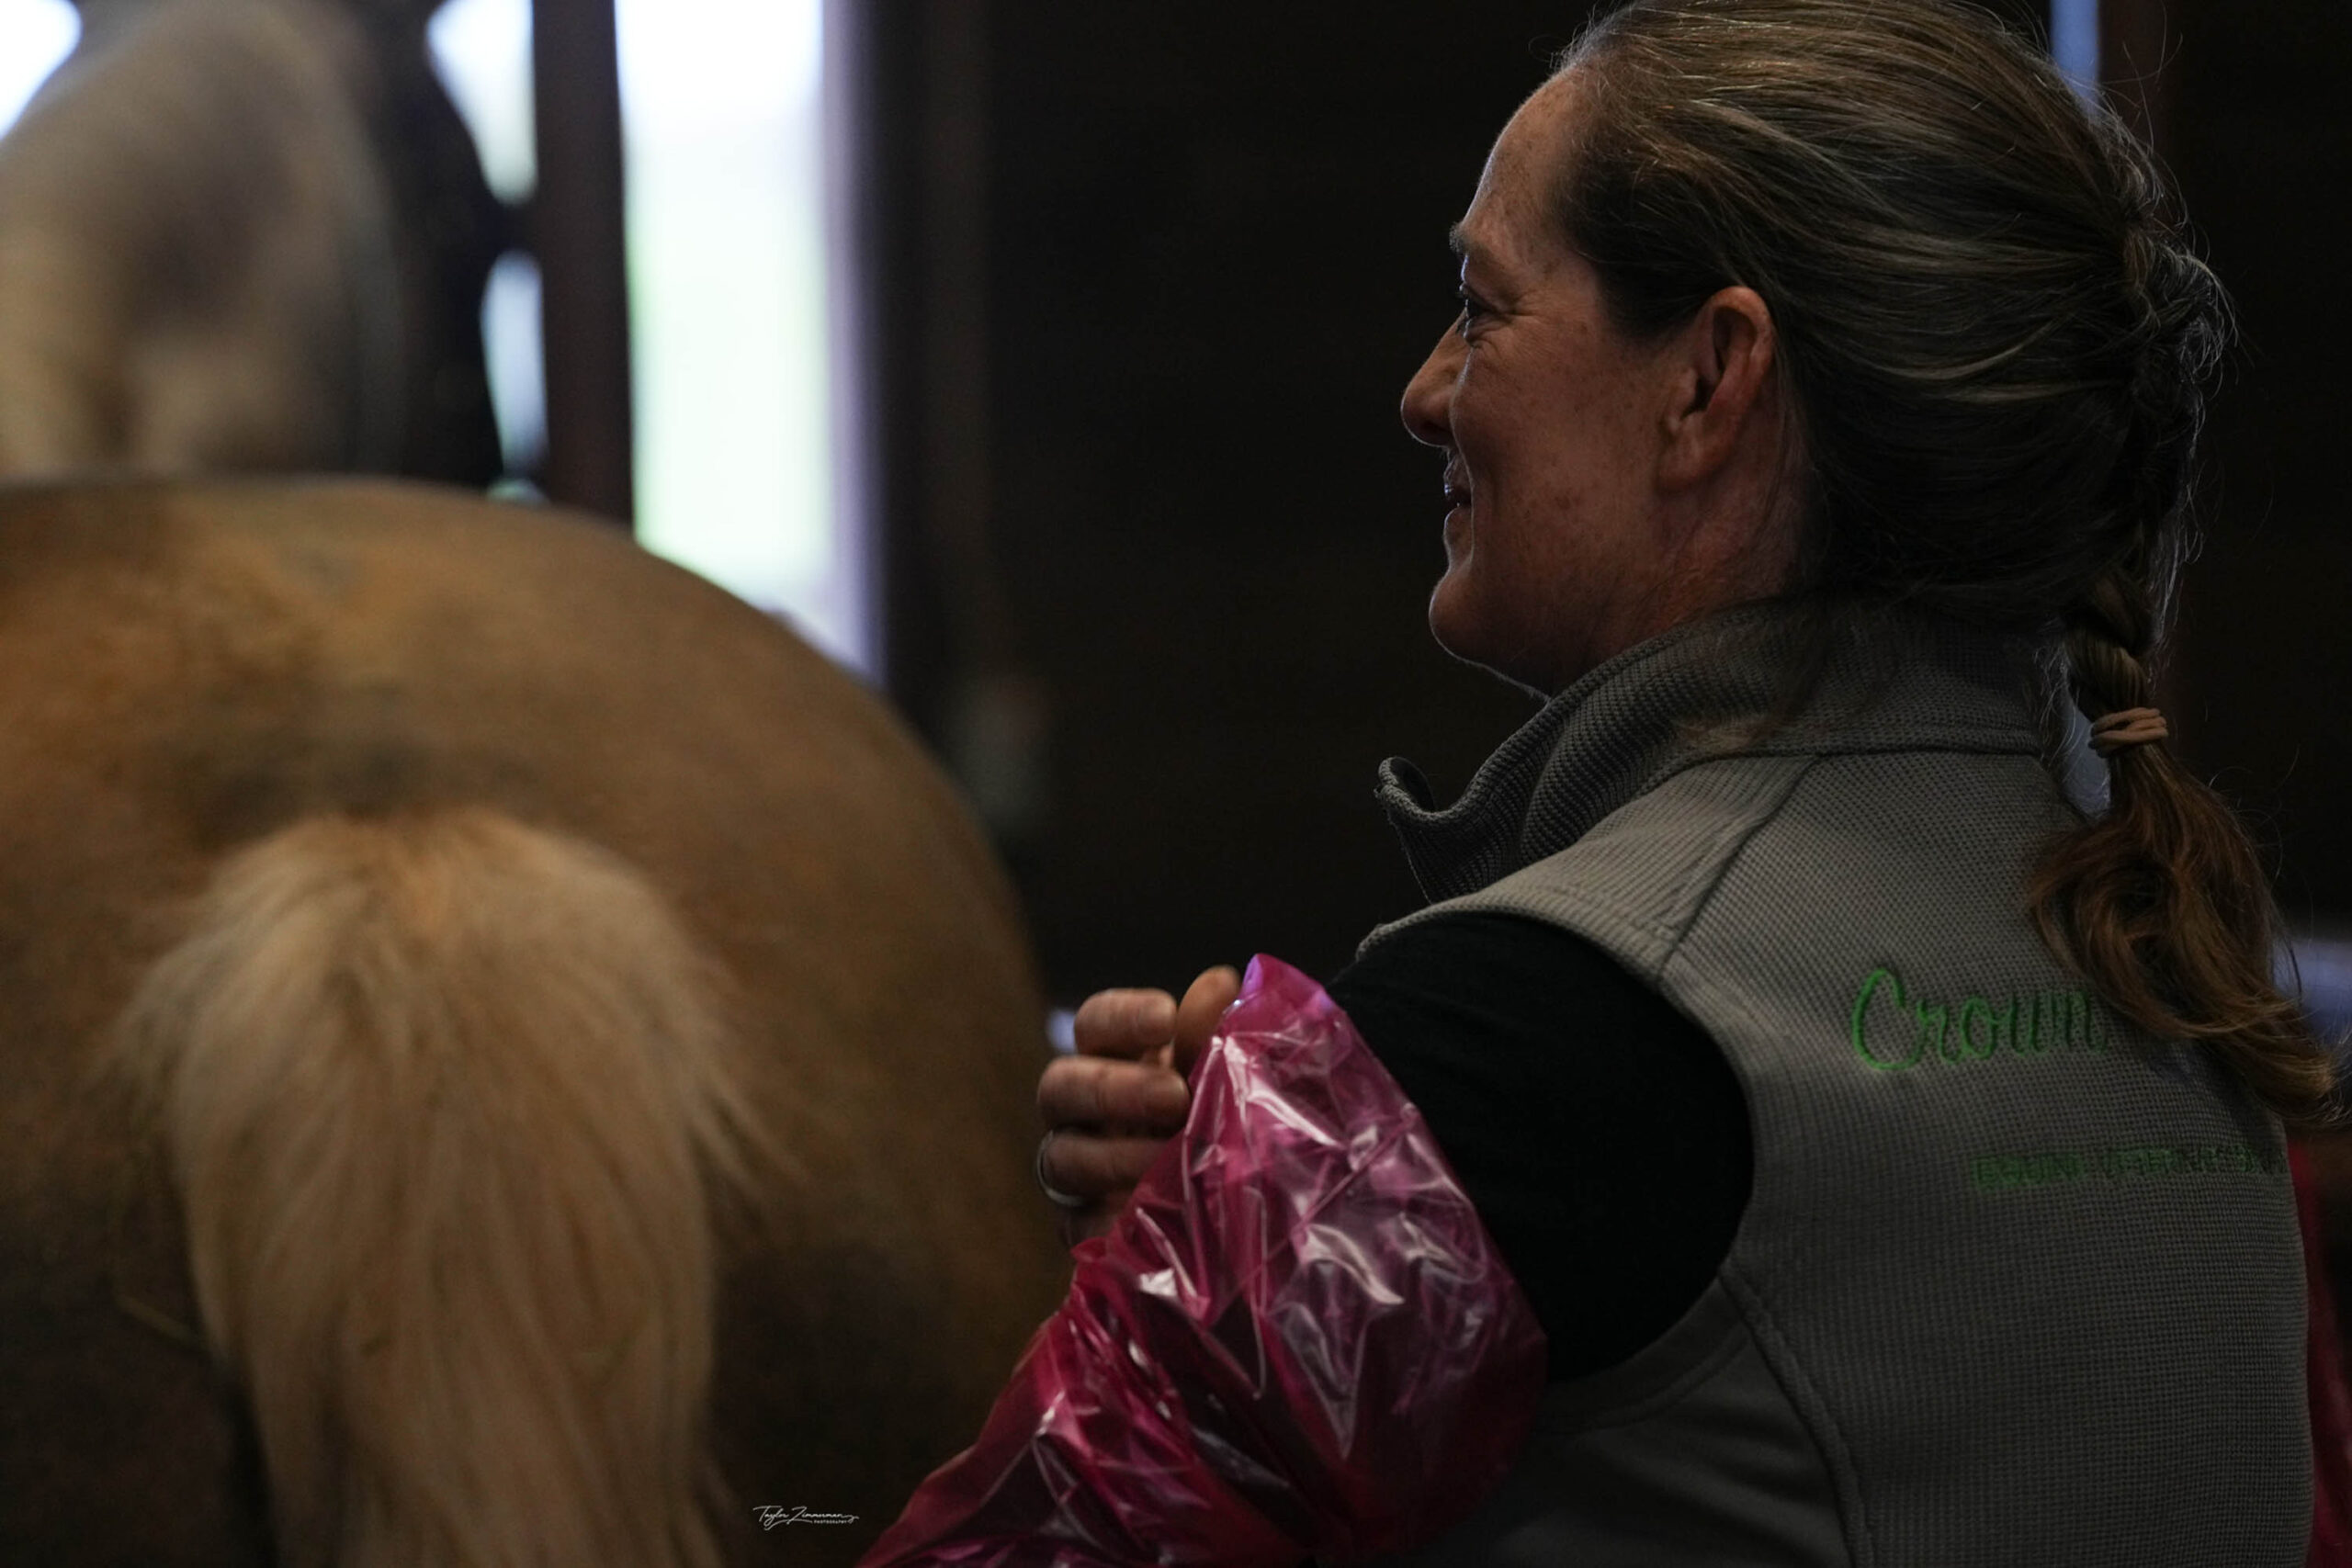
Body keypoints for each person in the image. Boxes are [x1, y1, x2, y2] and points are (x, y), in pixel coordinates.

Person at [1034, 0, 2333, 1561]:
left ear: (1710, 382)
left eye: (1482, 305)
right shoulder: (2169, 972)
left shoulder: (1535, 1026)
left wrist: (1171, 1262)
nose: (1425, 390)